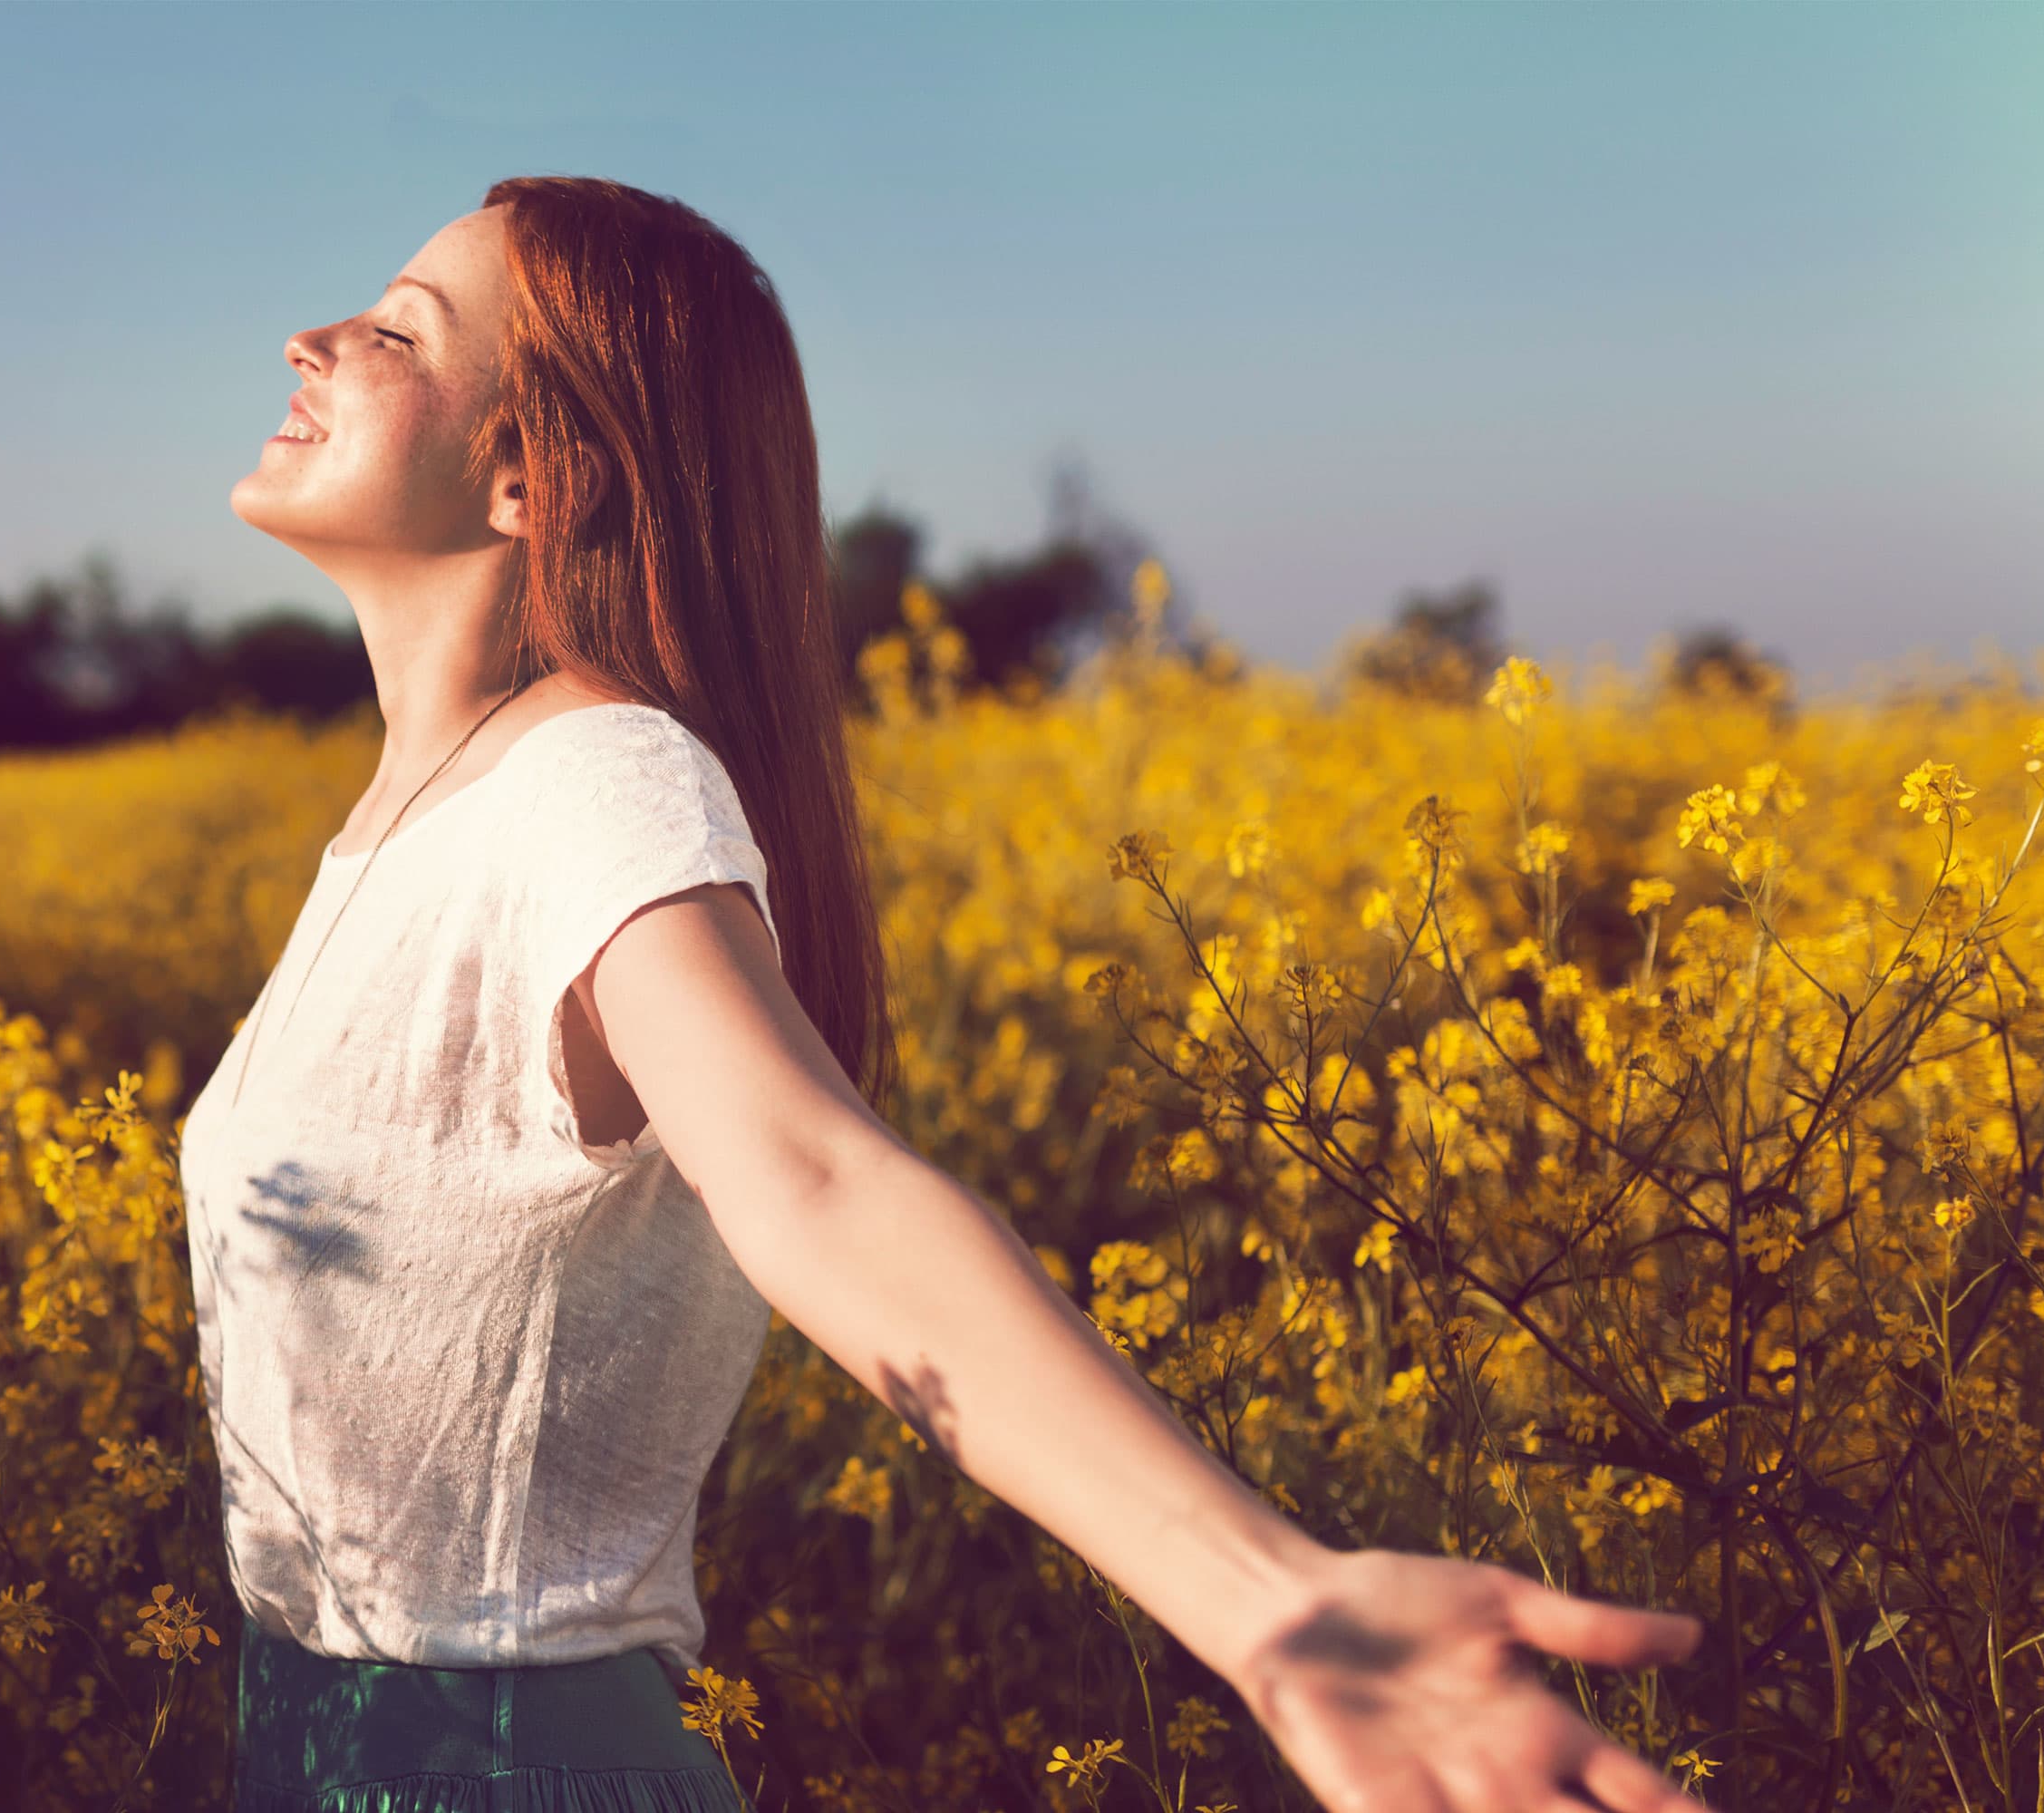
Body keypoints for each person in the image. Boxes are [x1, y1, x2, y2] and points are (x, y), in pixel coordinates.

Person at [176, 175, 1716, 1813]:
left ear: (525, 478)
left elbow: (818, 1177)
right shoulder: (418, 814)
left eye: (397, 330)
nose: (313, 340)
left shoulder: (595, 780)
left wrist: (1270, 1602)